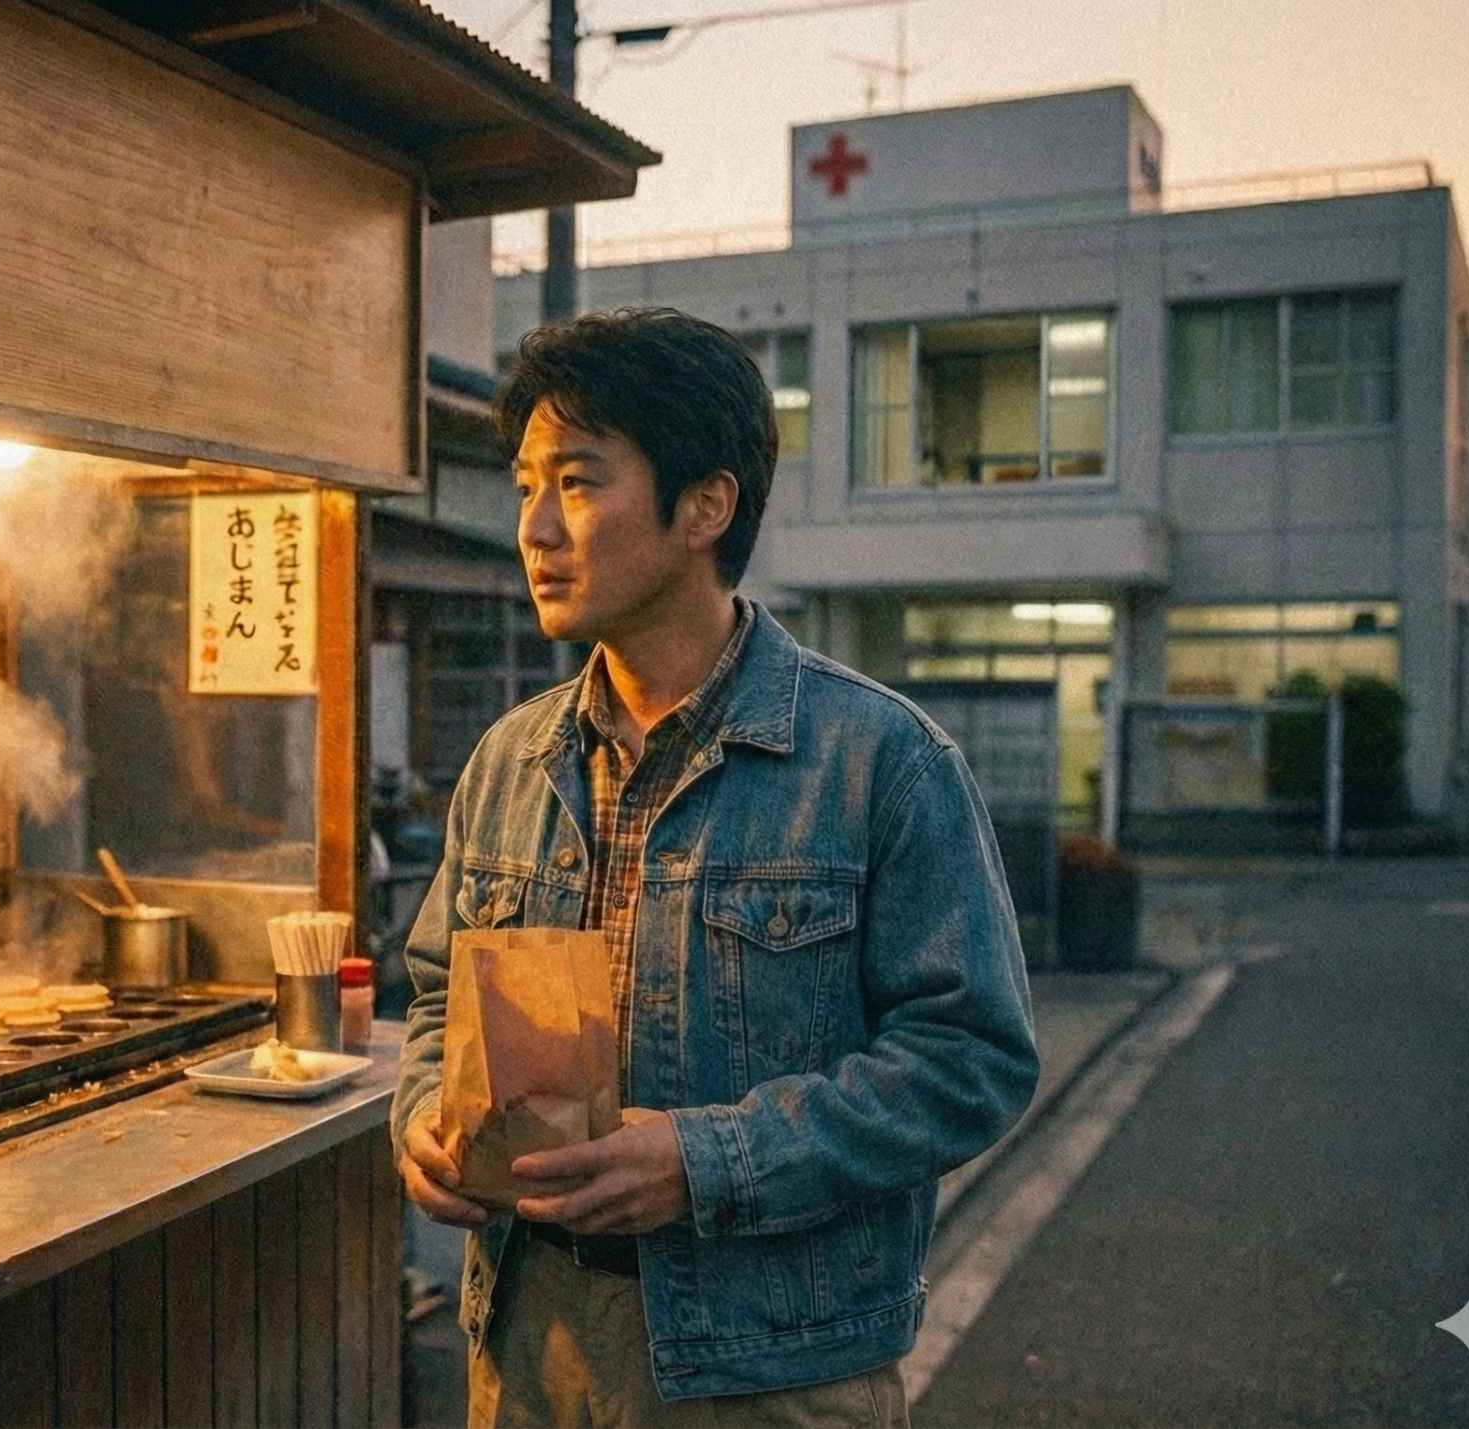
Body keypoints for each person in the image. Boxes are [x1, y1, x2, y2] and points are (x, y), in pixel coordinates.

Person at [392, 308, 1039, 1427]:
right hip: (525, 1340)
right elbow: (436, 993)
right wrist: (424, 1124)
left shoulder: (878, 760)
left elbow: (969, 1059)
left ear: (706, 504)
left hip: (767, 1371)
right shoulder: (509, 759)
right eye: (523, 487)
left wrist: (705, 1159)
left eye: (578, 484)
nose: (534, 529)